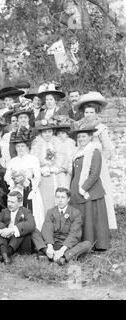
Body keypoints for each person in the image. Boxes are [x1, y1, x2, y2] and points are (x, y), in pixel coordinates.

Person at [74, 91, 117, 230]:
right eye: (86, 112)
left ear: (96, 112)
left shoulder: (100, 128)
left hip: (97, 166)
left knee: (97, 193)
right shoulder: (81, 127)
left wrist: (99, 160)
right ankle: (87, 224)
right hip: (83, 165)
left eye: (91, 112)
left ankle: (103, 224)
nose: (88, 115)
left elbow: (108, 148)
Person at [69, 122, 110, 250]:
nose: (81, 139)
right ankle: (83, 244)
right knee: (82, 218)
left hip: (90, 191)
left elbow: (94, 173)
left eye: (84, 136)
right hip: (77, 191)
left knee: (92, 218)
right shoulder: (78, 152)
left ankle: (97, 244)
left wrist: (83, 188)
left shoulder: (94, 151)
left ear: (90, 137)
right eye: (79, 137)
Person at [32, 187, 92, 265]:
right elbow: (47, 229)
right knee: (34, 231)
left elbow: (74, 234)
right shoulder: (50, 212)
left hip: (66, 245)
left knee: (87, 244)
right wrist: (49, 247)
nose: (60, 200)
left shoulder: (75, 213)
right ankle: (47, 252)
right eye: (57, 197)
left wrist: (62, 251)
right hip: (52, 243)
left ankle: (62, 257)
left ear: (68, 199)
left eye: (63, 197)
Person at [4, 128, 45, 230]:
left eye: (22, 146)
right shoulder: (12, 161)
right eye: (18, 146)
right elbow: (7, 176)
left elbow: (37, 176)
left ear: (27, 147)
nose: (20, 148)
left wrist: (33, 190)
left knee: (32, 212)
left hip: (29, 190)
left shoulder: (33, 159)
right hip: (17, 190)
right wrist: (11, 183)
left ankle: (34, 234)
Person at [0, 191, 36, 265]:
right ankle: (5, 257)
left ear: (20, 203)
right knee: (0, 225)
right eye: (8, 201)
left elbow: (31, 225)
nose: (9, 204)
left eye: (12, 202)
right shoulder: (4, 212)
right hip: (7, 241)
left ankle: (3, 256)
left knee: (20, 228)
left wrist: (11, 230)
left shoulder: (26, 211)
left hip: (20, 243)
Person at [31, 119, 66, 213]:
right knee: (45, 200)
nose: (47, 134)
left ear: (53, 132)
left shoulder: (58, 143)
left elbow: (62, 159)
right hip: (43, 176)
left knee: (57, 198)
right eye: (44, 132)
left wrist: (56, 168)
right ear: (41, 133)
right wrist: (41, 169)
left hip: (55, 175)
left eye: (49, 131)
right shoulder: (36, 144)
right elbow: (34, 161)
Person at [54, 116, 77, 189]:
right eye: (58, 133)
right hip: (56, 173)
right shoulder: (53, 145)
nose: (60, 135)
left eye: (63, 133)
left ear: (67, 134)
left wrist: (65, 169)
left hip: (67, 173)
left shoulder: (71, 145)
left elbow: (73, 162)